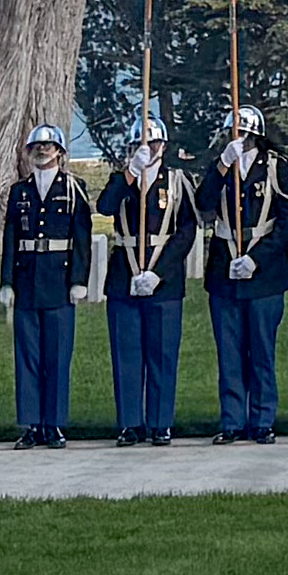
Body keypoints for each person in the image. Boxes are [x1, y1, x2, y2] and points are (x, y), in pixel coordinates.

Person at [198, 108, 288, 446]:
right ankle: (232, 421)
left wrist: (256, 258)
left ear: (256, 135)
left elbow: (287, 223)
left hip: (264, 273)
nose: (237, 138)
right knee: (229, 352)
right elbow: (203, 203)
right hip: (225, 268)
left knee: (261, 351)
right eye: (232, 133)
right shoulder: (222, 165)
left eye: (243, 134)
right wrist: (223, 165)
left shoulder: (277, 167)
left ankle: (263, 419)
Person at [98, 119, 193, 447]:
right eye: (140, 145)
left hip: (163, 280)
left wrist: (159, 272)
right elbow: (105, 206)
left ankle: (161, 422)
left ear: (163, 147)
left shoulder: (178, 182)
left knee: (163, 354)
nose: (147, 150)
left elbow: (186, 232)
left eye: (153, 145)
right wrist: (130, 173)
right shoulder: (121, 180)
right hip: (125, 276)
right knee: (127, 354)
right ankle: (130, 423)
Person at [3, 125, 92, 450]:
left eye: (48, 145)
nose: (42, 150)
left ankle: (53, 424)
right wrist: (7, 282)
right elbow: (10, 238)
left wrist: (79, 281)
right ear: (28, 152)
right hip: (27, 281)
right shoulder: (19, 191)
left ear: (60, 152)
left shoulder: (73, 189)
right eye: (36, 146)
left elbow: (82, 239)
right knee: (28, 358)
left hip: (59, 280)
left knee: (56, 357)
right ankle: (32, 424)